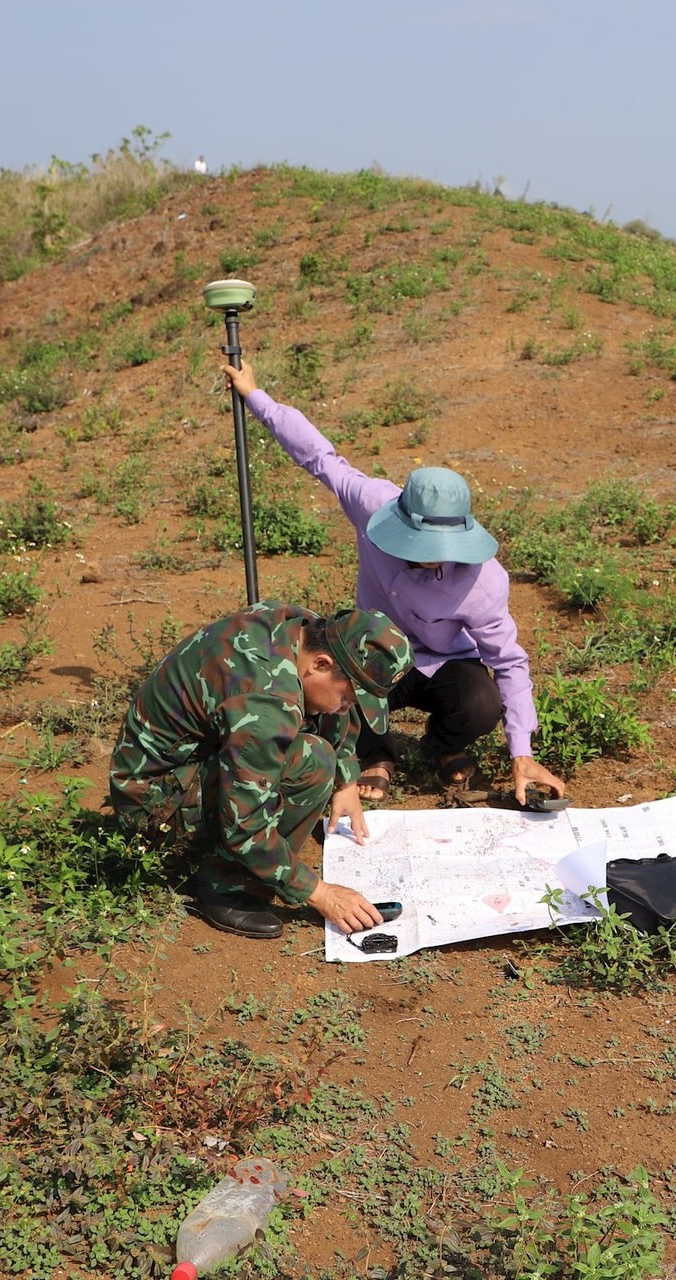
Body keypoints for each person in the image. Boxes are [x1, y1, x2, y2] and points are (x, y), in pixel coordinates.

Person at [223, 361, 568, 808]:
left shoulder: (482, 580)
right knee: (338, 670)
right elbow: (319, 457)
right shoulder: (371, 505)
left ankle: (443, 743)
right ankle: (375, 756)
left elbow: (509, 663)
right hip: (375, 659)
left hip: (443, 665)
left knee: (480, 701)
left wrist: (522, 753)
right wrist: (256, 395)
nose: (432, 556)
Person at [107, 601, 412, 940]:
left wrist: (346, 780)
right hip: (151, 806)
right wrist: (319, 893)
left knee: (322, 748)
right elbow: (246, 823)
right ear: (321, 664)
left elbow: (335, 707)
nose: (347, 708)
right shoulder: (266, 702)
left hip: (189, 764)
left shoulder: (302, 628)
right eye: (351, 698)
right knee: (312, 761)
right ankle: (224, 883)